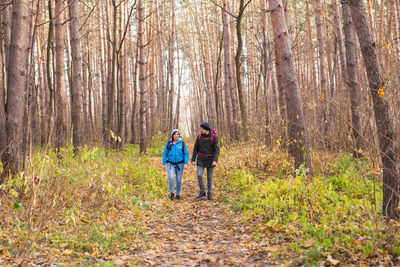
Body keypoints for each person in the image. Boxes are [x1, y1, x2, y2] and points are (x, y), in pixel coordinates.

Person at [191, 122, 220, 200]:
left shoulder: (214, 137)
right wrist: (193, 159)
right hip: (200, 159)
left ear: (206, 129)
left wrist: (215, 160)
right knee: (199, 175)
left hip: (210, 160)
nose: (201, 130)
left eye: (202, 129)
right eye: (201, 129)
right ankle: (202, 191)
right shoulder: (199, 137)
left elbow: (217, 150)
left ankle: (209, 193)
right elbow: (195, 148)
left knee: (209, 178)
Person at [162, 129, 189, 200]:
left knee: (179, 180)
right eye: (175, 134)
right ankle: (172, 193)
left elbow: (186, 154)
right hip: (170, 164)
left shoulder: (182, 143)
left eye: (177, 134)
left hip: (180, 164)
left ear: (179, 135)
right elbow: (165, 153)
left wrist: (186, 163)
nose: (176, 136)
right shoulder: (169, 143)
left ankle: (178, 194)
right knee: (171, 177)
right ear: (172, 135)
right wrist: (163, 163)